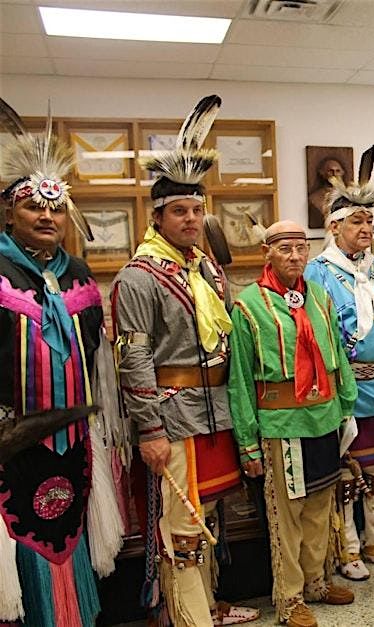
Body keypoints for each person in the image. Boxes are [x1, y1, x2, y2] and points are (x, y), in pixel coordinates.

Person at [112, 95, 258, 627]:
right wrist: (148, 429)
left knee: (211, 511)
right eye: (180, 211)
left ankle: (209, 603)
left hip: (217, 409)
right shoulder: (139, 276)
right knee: (182, 523)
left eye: (198, 210)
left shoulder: (206, 271)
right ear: (158, 216)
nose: (192, 219)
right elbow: (134, 358)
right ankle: (190, 617)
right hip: (172, 417)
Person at [0, 98, 125, 626]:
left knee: (69, 540)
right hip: (10, 444)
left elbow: (97, 359)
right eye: (34, 206)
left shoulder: (77, 272)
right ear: (10, 212)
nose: (47, 216)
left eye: (55, 207)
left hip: (73, 441)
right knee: (18, 550)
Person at [228, 221, 358, 626]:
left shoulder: (318, 296)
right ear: (267, 252)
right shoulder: (248, 305)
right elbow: (240, 380)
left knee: (321, 507)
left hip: (325, 419)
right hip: (281, 425)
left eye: (301, 248)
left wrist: (346, 410)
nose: (295, 256)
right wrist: (248, 443)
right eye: (285, 249)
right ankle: (289, 598)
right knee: (287, 515)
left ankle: (317, 581)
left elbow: (337, 353)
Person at [305, 145, 374, 582]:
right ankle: (347, 547)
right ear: (334, 226)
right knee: (348, 470)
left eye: (369, 220)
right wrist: (340, 381)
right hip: (345, 388)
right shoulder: (319, 271)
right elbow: (318, 335)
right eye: (356, 221)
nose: (366, 227)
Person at [308, 157, 346, 228]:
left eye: (338, 171)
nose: (334, 174)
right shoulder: (314, 198)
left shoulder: (348, 196)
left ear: (342, 173)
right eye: (330, 171)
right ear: (322, 173)